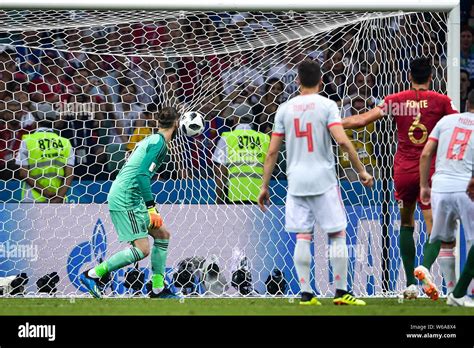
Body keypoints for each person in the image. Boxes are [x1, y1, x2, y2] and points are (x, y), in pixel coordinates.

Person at [257, 60, 374, 306]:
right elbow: (342, 141)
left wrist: (264, 186)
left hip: (297, 180)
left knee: (303, 235)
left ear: (297, 81)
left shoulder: (284, 109)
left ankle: (306, 294)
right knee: (337, 233)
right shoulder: (327, 105)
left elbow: (272, 152)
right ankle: (341, 292)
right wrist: (361, 170)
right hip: (323, 178)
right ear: (321, 81)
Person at [342, 58, 458, 300]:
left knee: (406, 223)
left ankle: (409, 284)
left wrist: (333, 123)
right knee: (433, 225)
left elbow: (361, 120)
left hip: (403, 171)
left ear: (409, 76)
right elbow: (457, 126)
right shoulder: (441, 101)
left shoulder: (396, 100)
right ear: (431, 77)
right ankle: (424, 268)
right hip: (430, 171)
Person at [80, 107, 181, 299]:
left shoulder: (153, 140)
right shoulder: (159, 144)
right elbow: (143, 175)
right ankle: (93, 274)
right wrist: (152, 209)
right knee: (142, 250)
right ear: (177, 124)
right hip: (126, 198)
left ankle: (158, 288)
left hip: (132, 196)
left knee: (162, 234)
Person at [418, 90, 474, 307]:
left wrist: (424, 185)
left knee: (446, 240)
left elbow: (426, 153)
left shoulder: (446, 120)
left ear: (466, 103)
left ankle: (450, 290)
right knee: (472, 241)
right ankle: (463, 293)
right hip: (467, 187)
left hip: (439, 186)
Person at [15, 103, 75, 203]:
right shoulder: (65, 142)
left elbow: (23, 173)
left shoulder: (27, 140)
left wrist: (44, 192)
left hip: (33, 198)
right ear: (54, 120)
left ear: (37, 120)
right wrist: (59, 197)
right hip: (58, 198)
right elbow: (69, 175)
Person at [213, 112, 270, 204]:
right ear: (252, 119)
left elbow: (221, 172)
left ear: (235, 119)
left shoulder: (227, 137)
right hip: (259, 196)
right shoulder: (264, 138)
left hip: (233, 196)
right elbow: (270, 168)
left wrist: (218, 199)